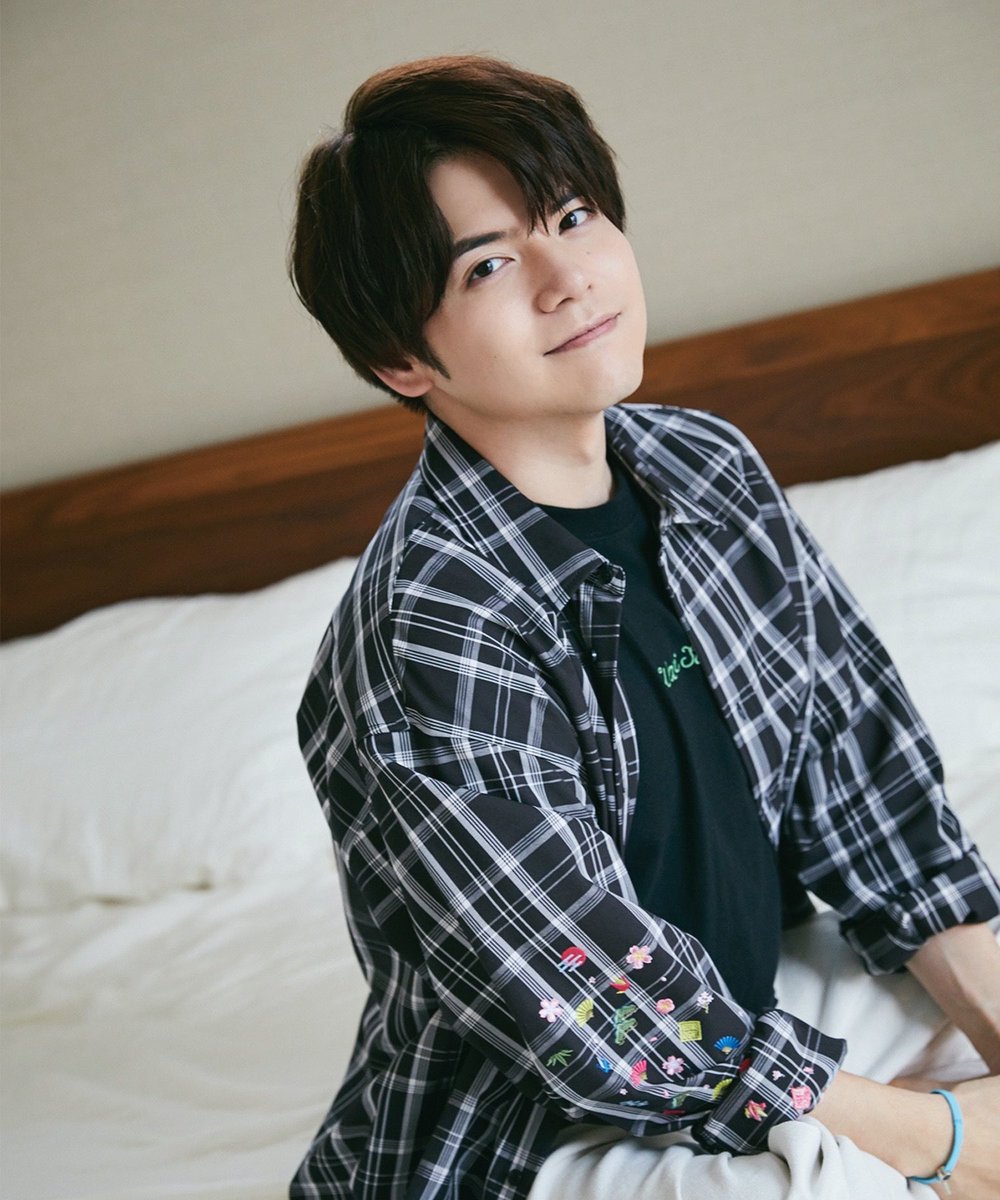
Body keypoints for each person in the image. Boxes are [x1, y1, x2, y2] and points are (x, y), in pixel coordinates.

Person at [287, 55, 1000, 1199]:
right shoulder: (429, 627)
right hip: (552, 1122)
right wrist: (947, 1142)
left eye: (572, 216)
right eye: (487, 265)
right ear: (399, 359)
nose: (568, 278)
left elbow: (863, 790)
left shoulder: (704, 465)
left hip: (746, 1018)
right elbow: (601, 1010)